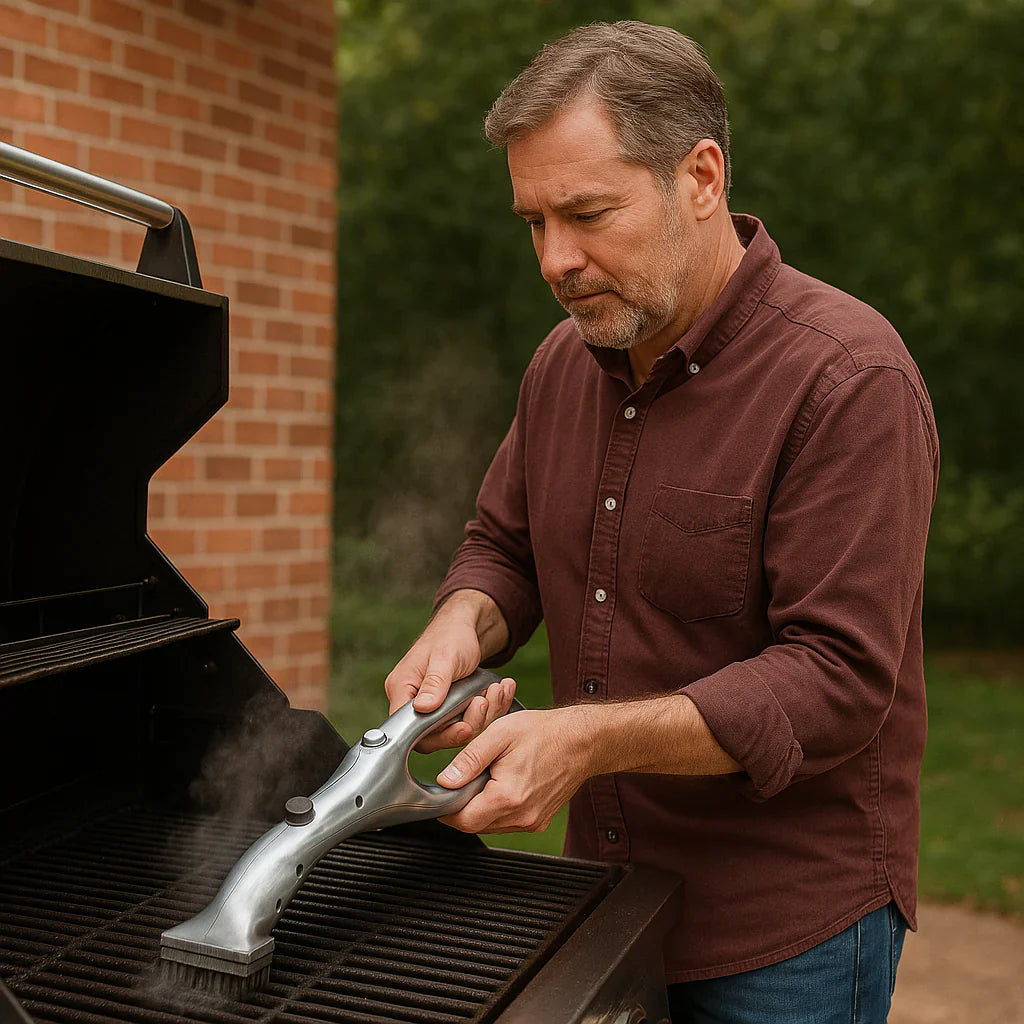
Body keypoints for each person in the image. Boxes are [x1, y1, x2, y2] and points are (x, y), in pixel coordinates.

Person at [384, 20, 938, 1024]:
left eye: (588, 213)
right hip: (599, 896)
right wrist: (459, 621)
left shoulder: (849, 379)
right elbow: (503, 546)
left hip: (784, 932)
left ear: (703, 176)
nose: (555, 260)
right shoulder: (562, 365)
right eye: (533, 222)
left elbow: (837, 678)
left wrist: (584, 741)